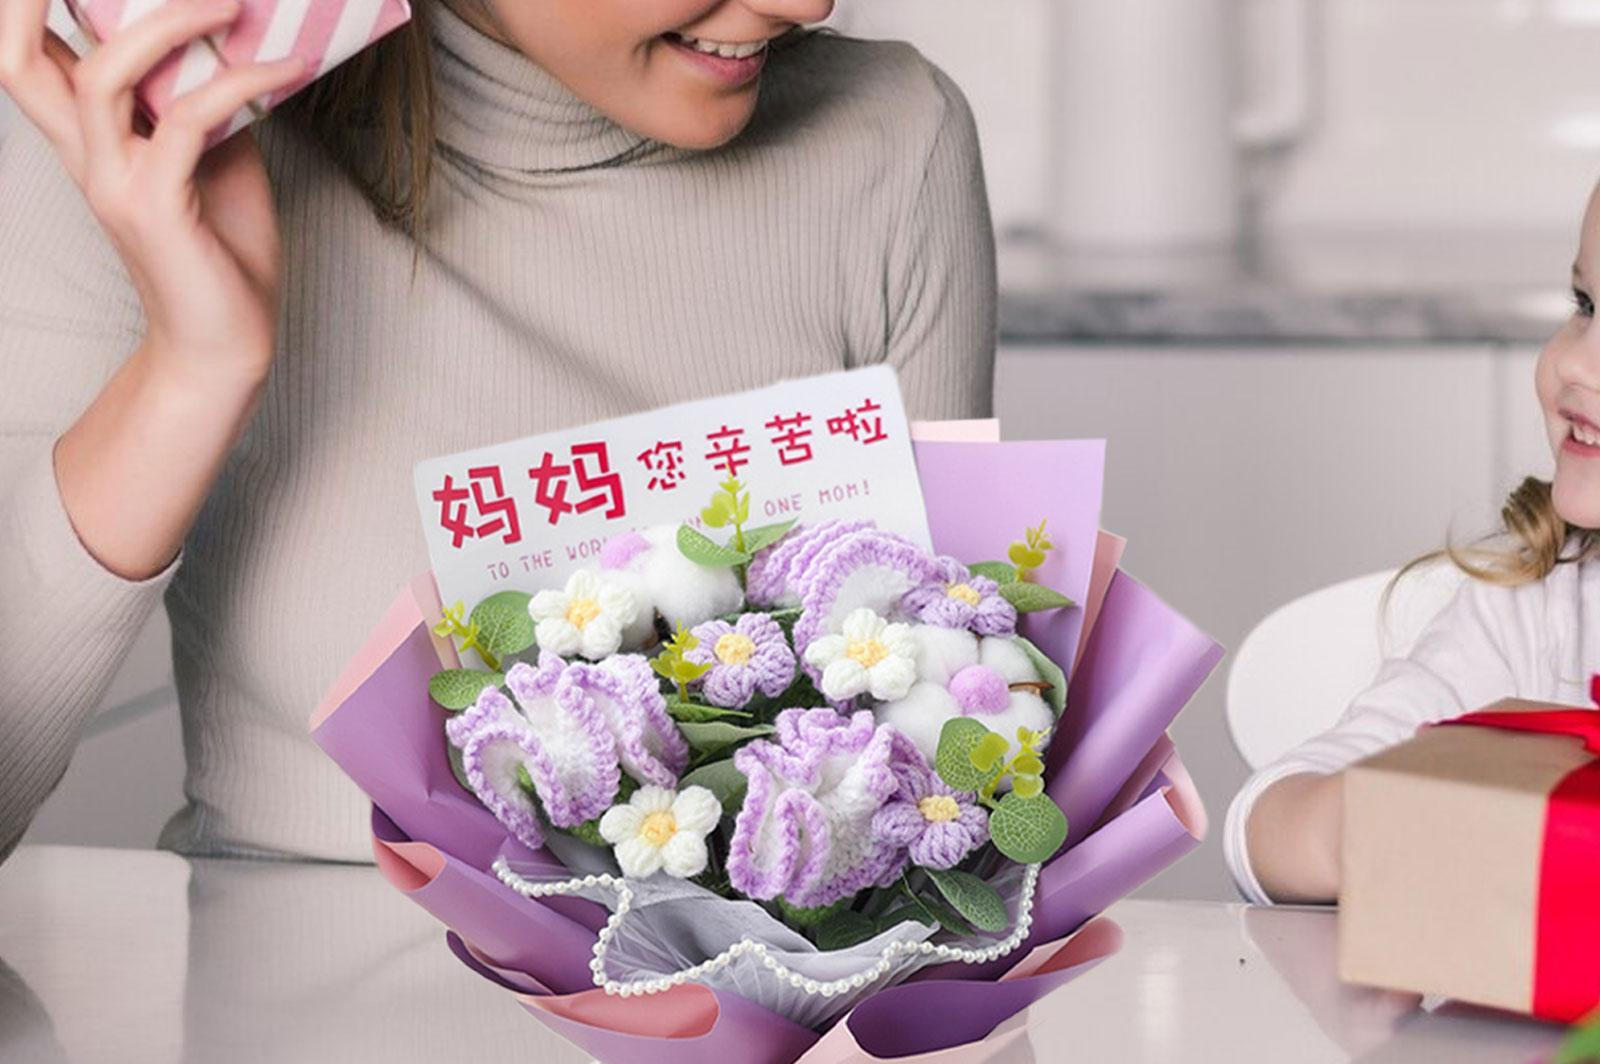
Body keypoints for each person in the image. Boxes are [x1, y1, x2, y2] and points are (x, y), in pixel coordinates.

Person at [0, 0, 996, 863]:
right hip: (295, 1056)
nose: (808, 6)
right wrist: (193, 371)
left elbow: (954, 791)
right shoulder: (147, 154)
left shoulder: (892, 139)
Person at [1226, 177, 1600, 906]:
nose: (1577, 364)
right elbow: (1264, 825)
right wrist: (1362, 833)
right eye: (1585, 306)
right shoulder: (1535, 617)